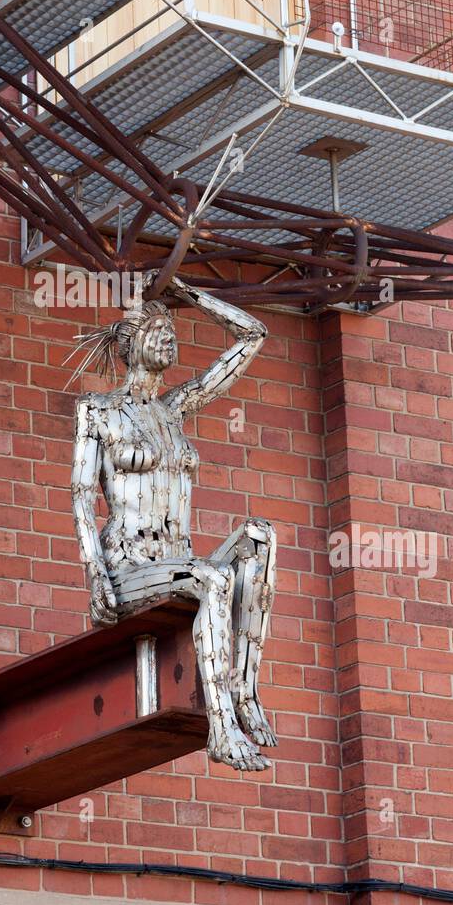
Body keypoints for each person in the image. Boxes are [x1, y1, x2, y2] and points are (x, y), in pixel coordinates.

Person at [70, 274, 277, 770]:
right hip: (126, 569)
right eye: (157, 329)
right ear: (130, 344)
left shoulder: (174, 410)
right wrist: (94, 574)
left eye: (172, 329)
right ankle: (222, 728)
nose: (169, 337)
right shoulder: (98, 411)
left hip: (176, 560)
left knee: (258, 537)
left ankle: (245, 693)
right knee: (210, 577)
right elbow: (80, 495)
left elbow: (253, 337)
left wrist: (193, 297)